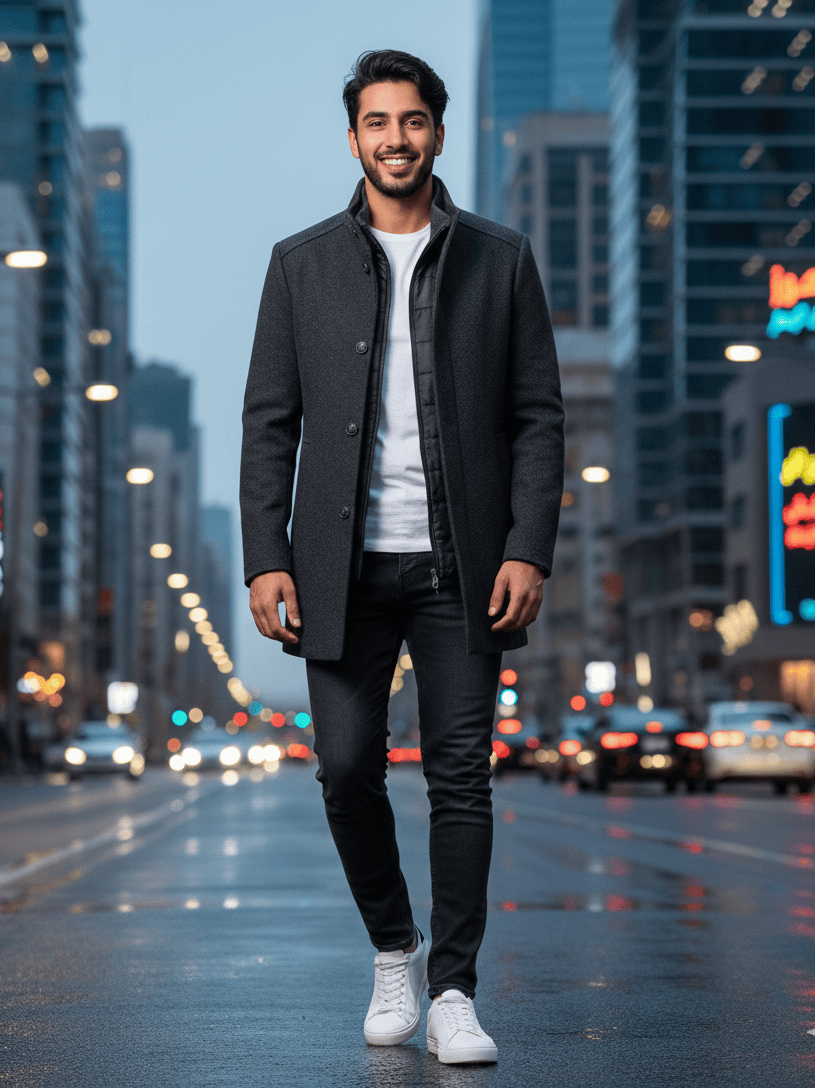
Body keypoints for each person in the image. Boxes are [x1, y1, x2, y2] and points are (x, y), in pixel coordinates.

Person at [240, 49, 563, 1065]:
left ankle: (456, 989)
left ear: (434, 130)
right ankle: (394, 947)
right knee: (343, 769)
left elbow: (538, 420)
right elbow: (268, 425)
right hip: (339, 566)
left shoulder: (498, 260)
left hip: (460, 564)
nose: (395, 137)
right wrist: (265, 555)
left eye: (412, 120)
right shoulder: (299, 264)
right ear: (353, 139)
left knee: (461, 772)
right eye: (376, 122)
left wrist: (529, 548)